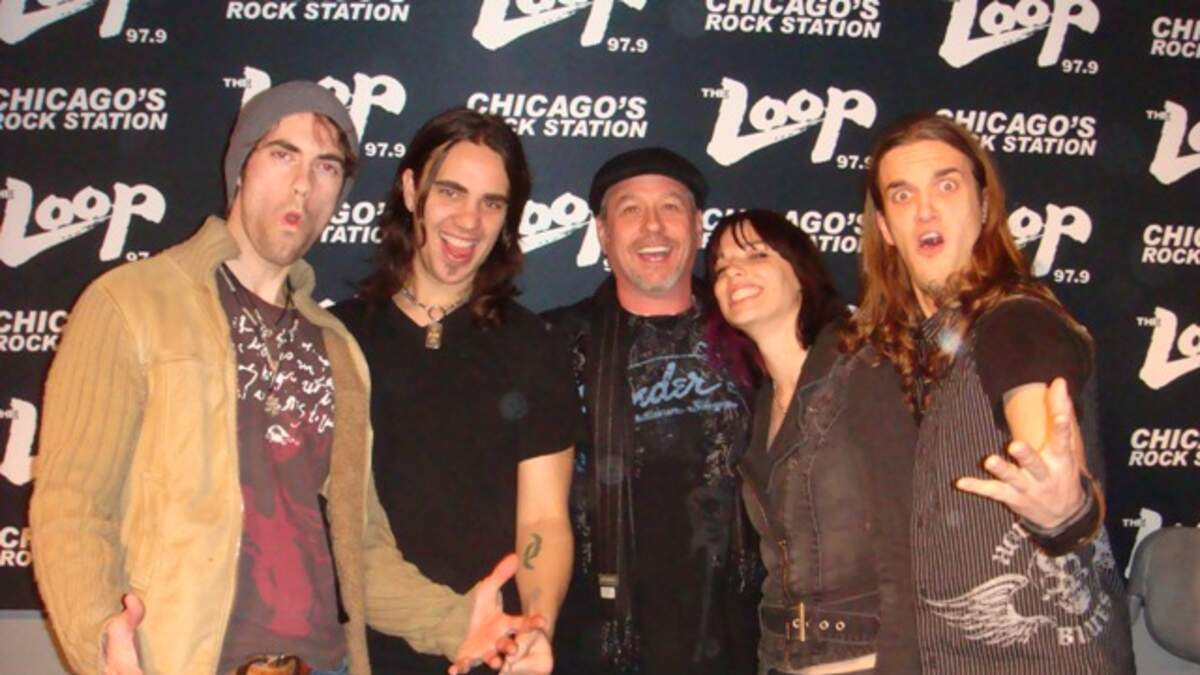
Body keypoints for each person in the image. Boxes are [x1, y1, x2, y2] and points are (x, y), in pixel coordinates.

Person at [30, 82, 537, 675]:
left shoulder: (337, 346)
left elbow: (359, 549)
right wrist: (98, 632)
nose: (303, 184)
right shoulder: (131, 304)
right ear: (240, 166)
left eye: (327, 167)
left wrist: (455, 622)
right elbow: (72, 504)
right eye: (283, 154)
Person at [844, 111, 1134, 672]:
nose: (925, 210)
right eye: (902, 195)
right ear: (885, 226)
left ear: (983, 206)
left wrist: (1062, 506)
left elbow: (1049, 453)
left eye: (946, 186)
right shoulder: (915, 350)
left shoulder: (1017, 320)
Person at [331, 107, 577, 675]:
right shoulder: (338, 338)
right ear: (411, 190)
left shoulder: (533, 346)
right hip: (356, 655)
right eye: (450, 192)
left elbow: (543, 520)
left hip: (493, 651)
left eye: (492, 203)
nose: (469, 221)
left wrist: (535, 626)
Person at [544, 147, 760, 674]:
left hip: (741, 637)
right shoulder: (552, 344)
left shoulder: (756, 333)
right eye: (630, 210)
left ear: (698, 224)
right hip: (600, 645)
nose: (652, 227)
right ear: (603, 232)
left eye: (670, 206)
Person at [704, 209, 919, 675]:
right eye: (720, 267)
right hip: (781, 658)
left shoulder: (863, 368)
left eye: (756, 255)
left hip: (868, 658)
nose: (733, 272)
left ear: (801, 273)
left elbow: (912, 534)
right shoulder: (761, 403)